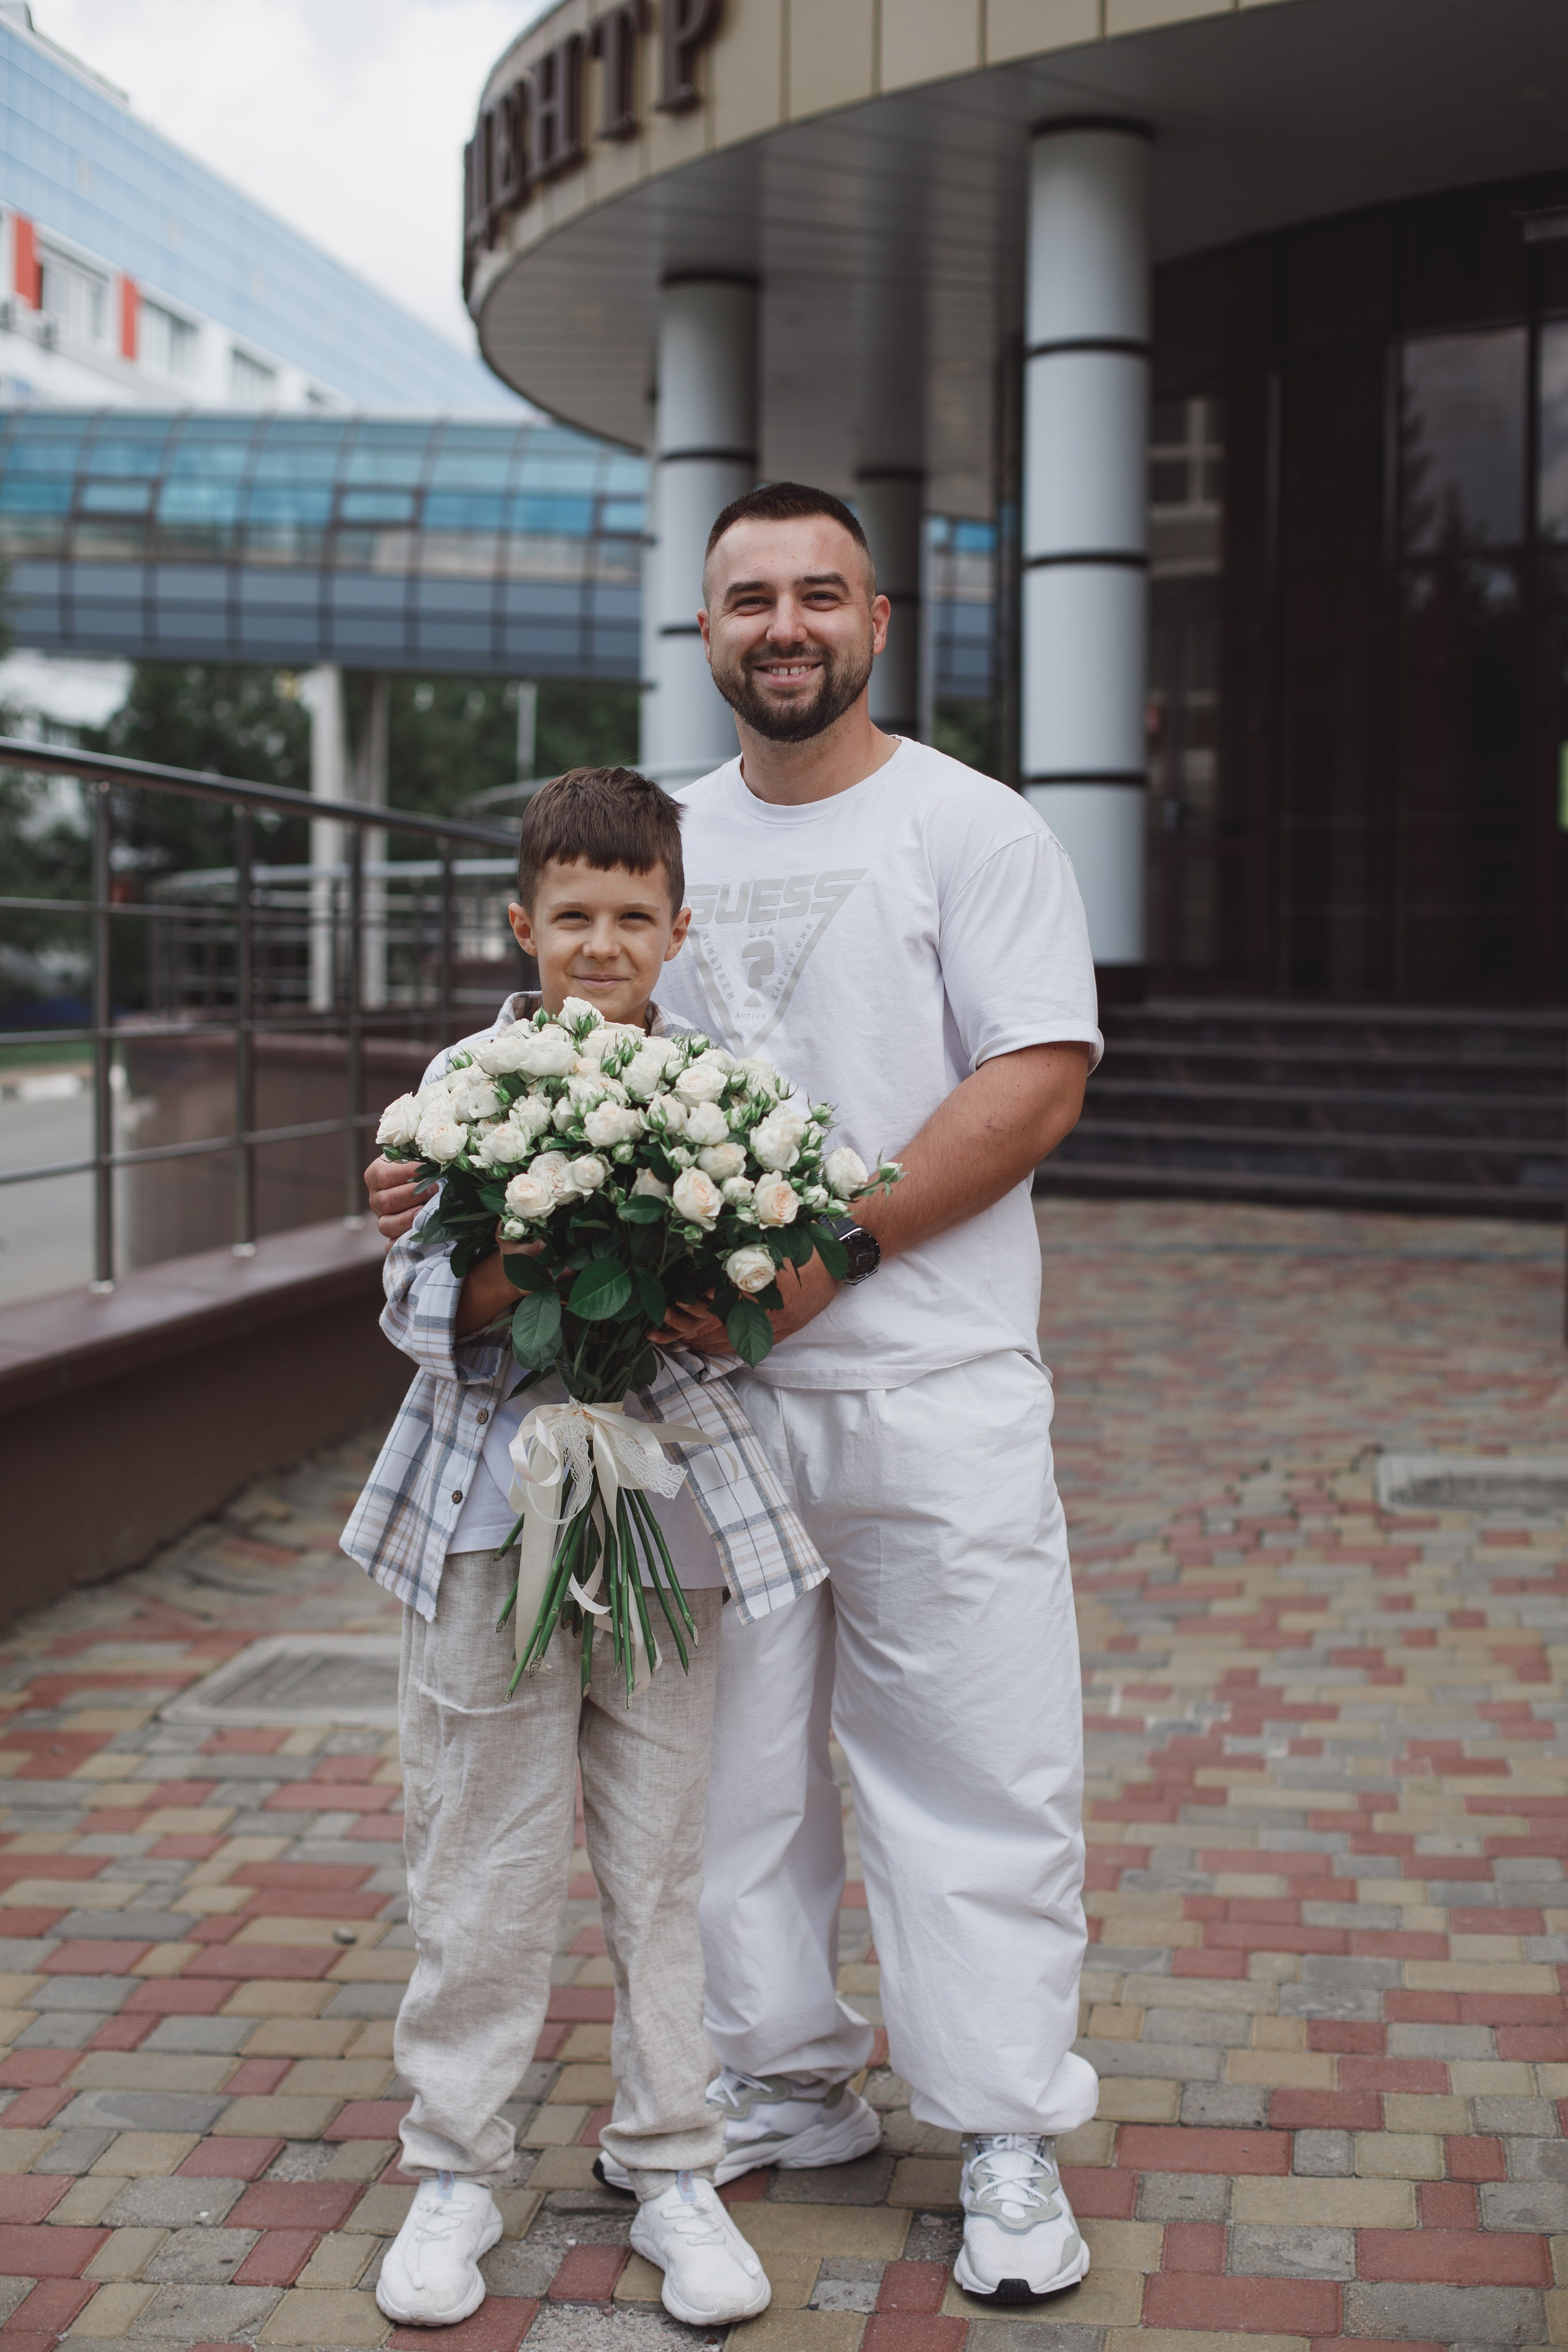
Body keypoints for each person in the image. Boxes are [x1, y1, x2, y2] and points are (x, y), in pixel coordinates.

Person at [366, 483, 1104, 2305]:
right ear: (707, 629)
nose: (784, 626)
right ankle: (778, 2085)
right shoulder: (658, 844)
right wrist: (424, 1177)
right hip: (696, 1418)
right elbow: (551, 1064)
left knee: (979, 1766)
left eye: (819, 595)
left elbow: (1035, 1081)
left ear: (878, 621)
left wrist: (822, 1259)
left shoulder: (974, 827)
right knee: (728, 1789)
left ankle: (1004, 2130)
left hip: (931, 1380)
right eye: (748, 598)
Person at [342, 768, 771, 2332]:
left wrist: (666, 1274)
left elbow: (749, 1308)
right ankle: (455, 2165)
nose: (601, 943)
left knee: (661, 1862)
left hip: (664, 1519)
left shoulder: (725, 1092)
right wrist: (531, 1250)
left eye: (631, 916)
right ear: (522, 923)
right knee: (479, 1857)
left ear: (675, 926)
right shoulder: (463, 1084)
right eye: (570, 916)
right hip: (481, 1519)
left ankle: (672, 2165)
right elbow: (410, 1304)